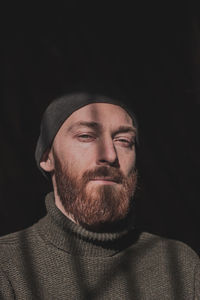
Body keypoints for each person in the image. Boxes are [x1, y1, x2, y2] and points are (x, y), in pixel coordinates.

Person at [0, 92, 200, 299]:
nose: (110, 155)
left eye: (123, 141)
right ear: (47, 157)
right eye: (86, 136)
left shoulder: (180, 264)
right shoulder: (7, 267)